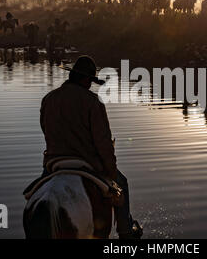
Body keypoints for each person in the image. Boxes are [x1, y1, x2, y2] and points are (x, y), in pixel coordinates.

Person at [39, 56, 143, 239]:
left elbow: (46, 131)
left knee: (37, 191)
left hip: (53, 163)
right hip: (87, 163)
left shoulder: (48, 99)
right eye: (90, 82)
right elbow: (103, 144)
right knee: (122, 183)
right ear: (86, 80)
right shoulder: (93, 102)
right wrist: (111, 174)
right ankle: (126, 233)